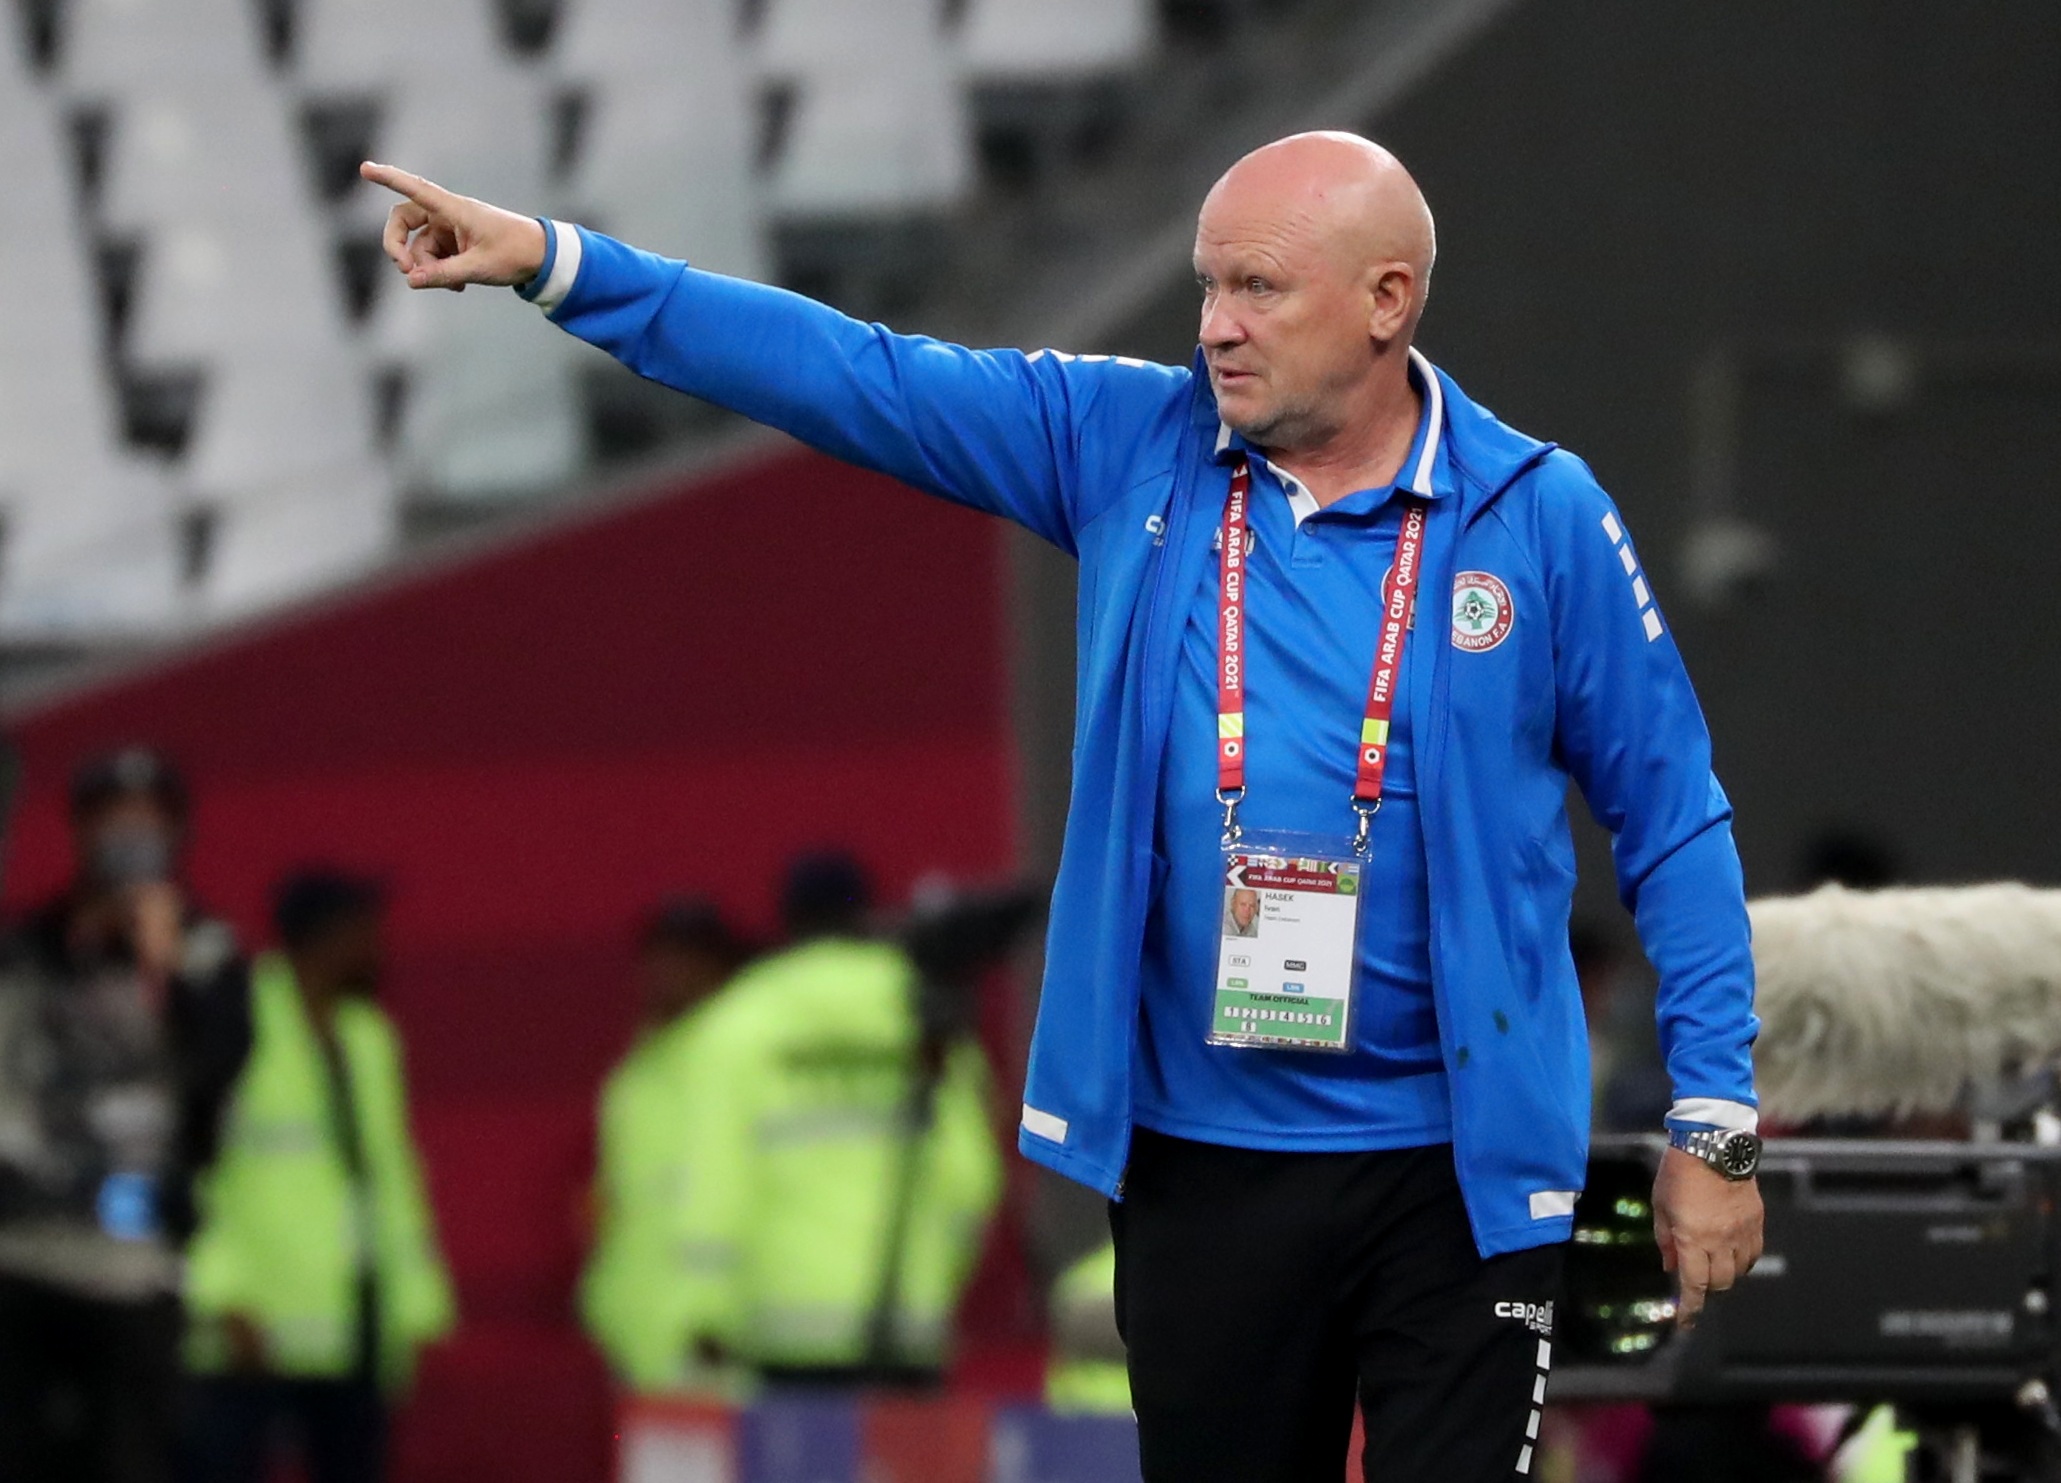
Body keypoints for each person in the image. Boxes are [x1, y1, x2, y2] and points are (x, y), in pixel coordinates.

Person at [360, 127, 1763, 1481]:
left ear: (1387, 300)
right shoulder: (1124, 442)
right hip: (1206, 1163)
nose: (1214, 325)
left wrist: (1714, 1119)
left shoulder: (1537, 514)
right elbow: (850, 373)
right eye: (1208, 282)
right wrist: (559, 264)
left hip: (1461, 1172)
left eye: (1258, 286)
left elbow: (1674, 816)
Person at [654, 852, 1001, 1387]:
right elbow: (970, 1176)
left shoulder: (738, 1023)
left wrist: (703, 1314)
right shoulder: (926, 1014)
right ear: (868, 914)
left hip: (784, 1332)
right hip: (907, 1325)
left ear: (787, 917)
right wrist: (941, 1275)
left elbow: (713, 1180)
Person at [0, 748, 250, 1483]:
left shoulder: (206, 952)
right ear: (80, 828)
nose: (129, 836)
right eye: (112, 816)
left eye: (147, 818)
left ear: (176, 832)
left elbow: (219, 1068)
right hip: (20, 1256)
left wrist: (165, 969)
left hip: (133, 1269)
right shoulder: (27, 948)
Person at [183, 869, 454, 1483]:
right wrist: (217, 1290)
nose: (379, 950)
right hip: (249, 1330)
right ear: (324, 937)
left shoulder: (370, 1037)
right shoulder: (233, 1020)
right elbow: (192, 1166)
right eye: (366, 934)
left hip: (354, 1325)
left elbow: (390, 1172)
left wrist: (413, 1300)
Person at [580, 897, 749, 1392]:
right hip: (636, 1332)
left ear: (720, 969)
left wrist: (717, 1312)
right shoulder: (636, 1071)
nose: (666, 970)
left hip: (712, 1338)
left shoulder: (741, 1059)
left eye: (687, 956)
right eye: (658, 954)